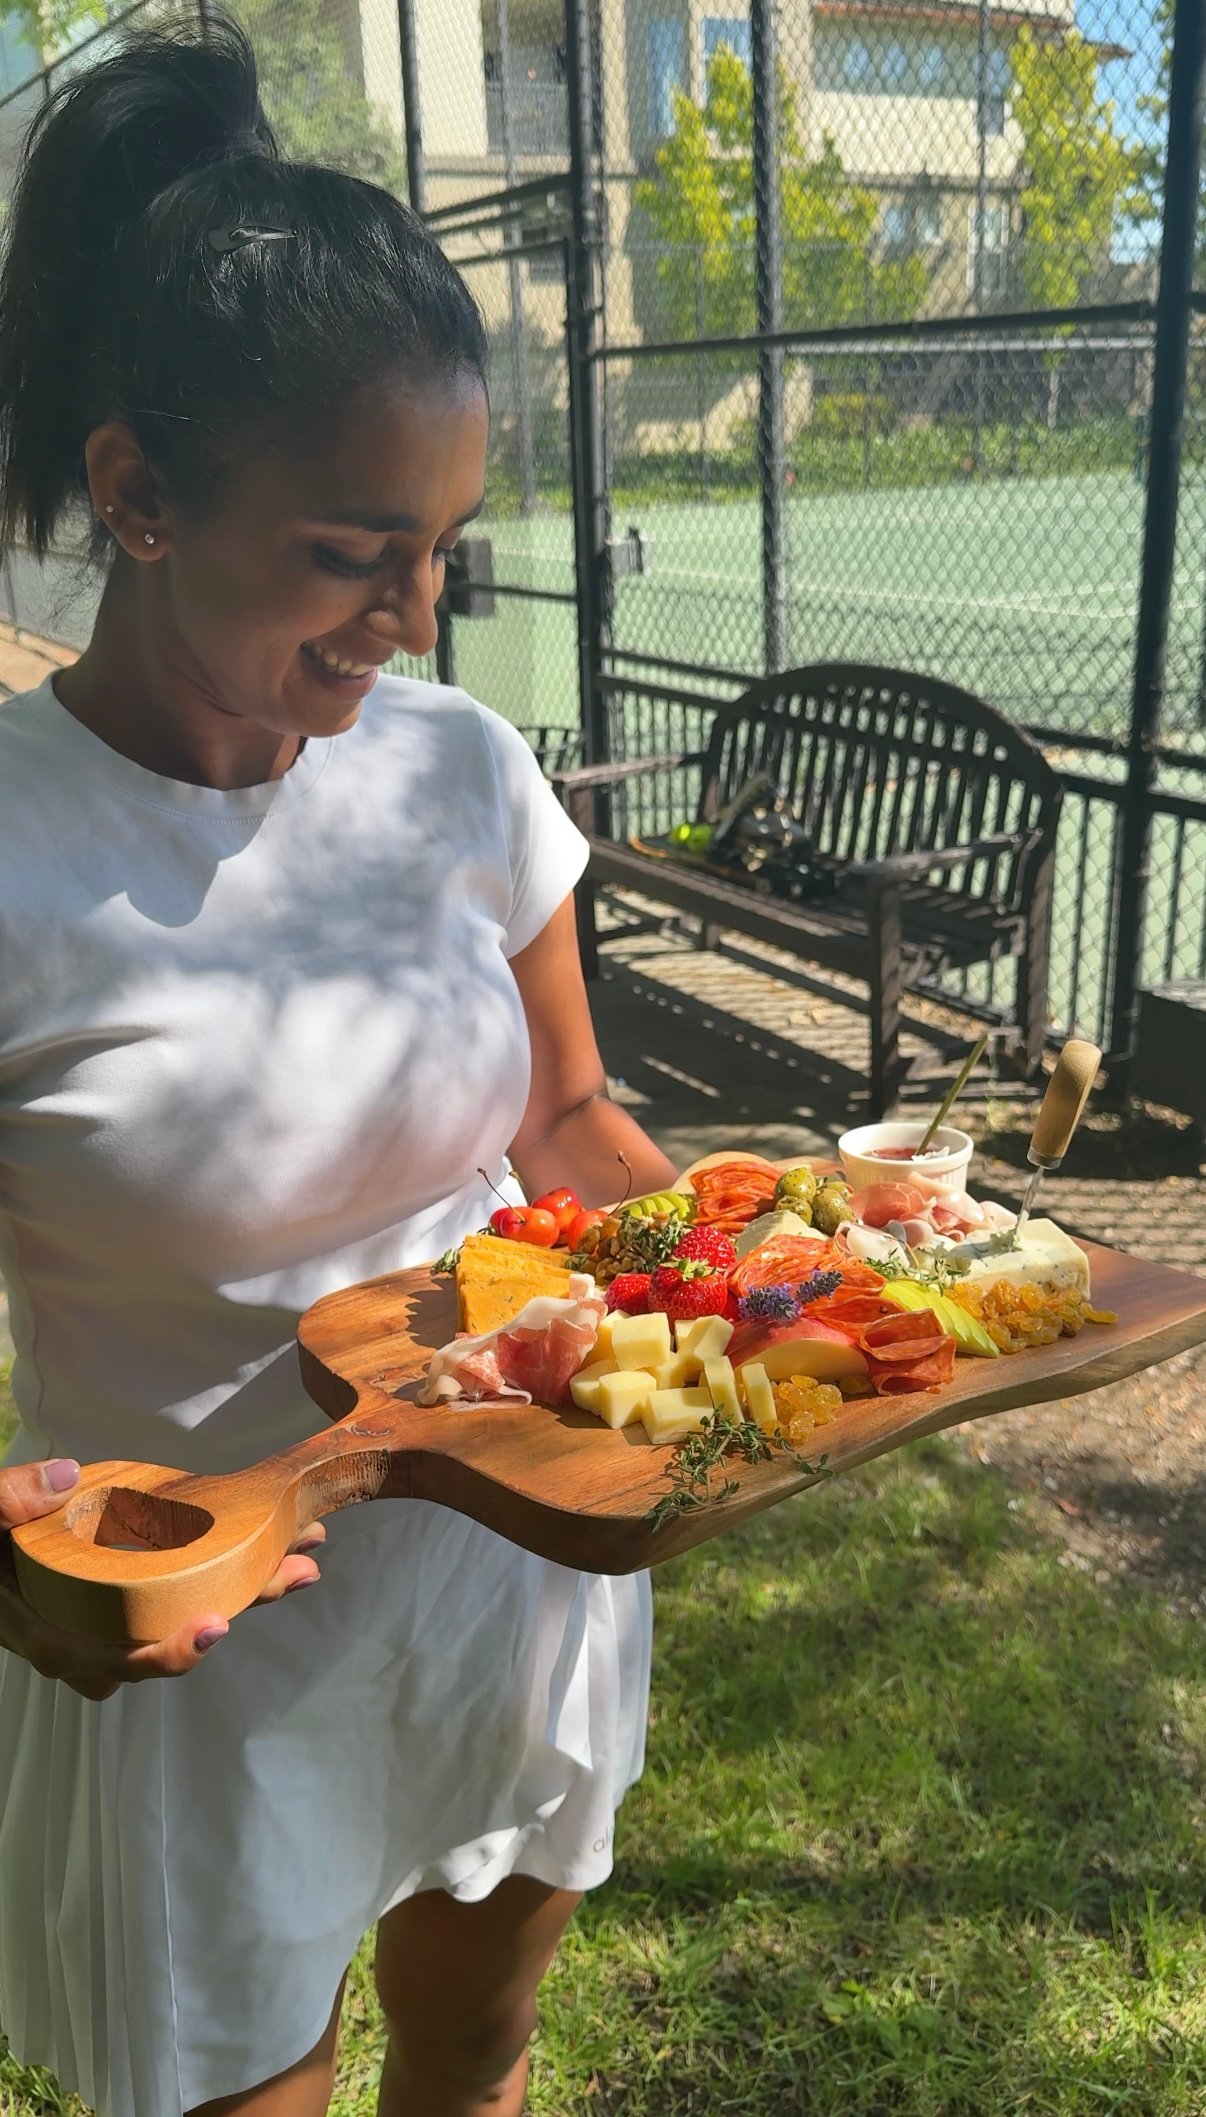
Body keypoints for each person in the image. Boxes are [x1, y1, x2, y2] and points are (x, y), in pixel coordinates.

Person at [0, 20, 678, 2117]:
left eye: (448, 543)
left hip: (516, 1569)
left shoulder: (462, 770)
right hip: (204, 1627)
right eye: (353, 548)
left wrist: (767, 1294)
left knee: (472, 2056)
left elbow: (566, 1122)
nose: (417, 613)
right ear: (138, 495)